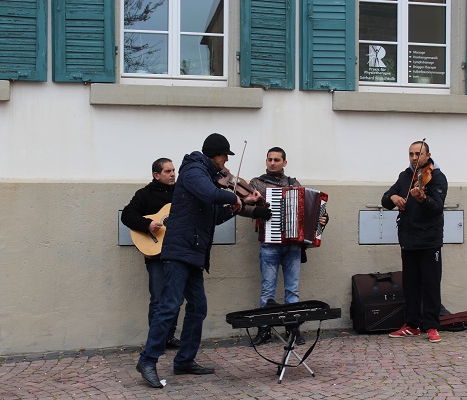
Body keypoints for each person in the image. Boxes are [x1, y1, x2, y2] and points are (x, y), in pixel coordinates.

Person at [135, 133, 267, 388]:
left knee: (198, 307)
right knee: (169, 307)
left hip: (194, 252)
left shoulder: (208, 178)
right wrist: (233, 197)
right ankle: (147, 360)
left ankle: (184, 360)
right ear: (214, 155)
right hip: (179, 250)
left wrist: (238, 206)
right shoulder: (194, 169)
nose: (225, 163)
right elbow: (210, 194)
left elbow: (215, 215)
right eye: (223, 157)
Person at [243, 147, 328, 346]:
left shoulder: (293, 184)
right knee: (267, 290)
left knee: (292, 291)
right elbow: (241, 206)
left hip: (292, 246)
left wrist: (321, 219)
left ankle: (293, 329)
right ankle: (264, 330)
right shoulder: (256, 183)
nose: (272, 163)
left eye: (277, 160)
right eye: (269, 159)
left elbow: (309, 208)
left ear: (284, 163)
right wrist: (258, 211)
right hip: (269, 244)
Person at [381, 140, 448, 343]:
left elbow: (436, 207)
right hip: (408, 239)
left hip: (429, 239)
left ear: (428, 156)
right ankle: (412, 324)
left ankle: (432, 326)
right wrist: (393, 197)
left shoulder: (437, 177)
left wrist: (422, 199)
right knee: (410, 285)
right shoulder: (405, 176)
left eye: (418, 154)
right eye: (411, 154)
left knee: (430, 285)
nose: (414, 158)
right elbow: (385, 199)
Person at [121, 158, 181, 350]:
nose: (172, 174)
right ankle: (156, 340)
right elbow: (127, 215)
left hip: (178, 252)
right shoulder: (144, 194)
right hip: (155, 254)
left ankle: (169, 336)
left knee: (176, 298)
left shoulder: (181, 193)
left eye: (173, 170)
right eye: (167, 171)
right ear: (156, 175)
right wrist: (147, 225)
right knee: (158, 298)